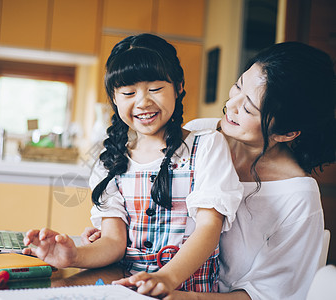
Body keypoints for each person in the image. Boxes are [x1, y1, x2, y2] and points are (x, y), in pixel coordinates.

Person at [82, 41, 336, 299]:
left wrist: (182, 295)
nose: (231, 104)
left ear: (287, 132)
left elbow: (272, 295)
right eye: (238, 86)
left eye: (248, 107)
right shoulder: (198, 137)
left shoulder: (298, 196)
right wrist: (117, 233)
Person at [23, 33, 243, 296]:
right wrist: (72, 257)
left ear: (179, 87)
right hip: (124, 291)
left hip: (187, 293)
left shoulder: (207, 146)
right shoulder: (110, 163)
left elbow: (209, 228)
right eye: (128, 92)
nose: (143, 102)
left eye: (155, 89)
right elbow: (114, 243)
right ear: (115, 99)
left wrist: (165, 278)